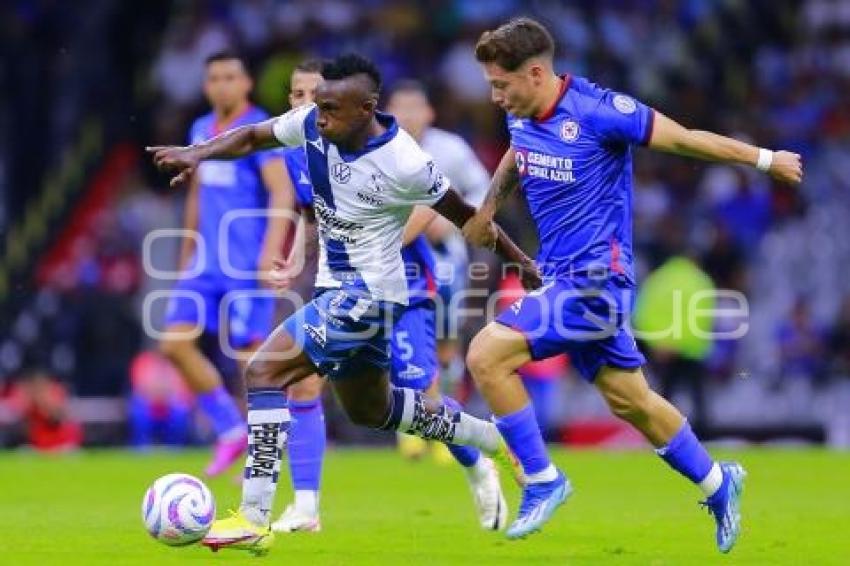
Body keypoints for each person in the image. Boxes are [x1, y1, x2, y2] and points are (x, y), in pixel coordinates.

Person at [148, 53, 539, 555]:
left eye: (331, 107)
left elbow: (469, 218)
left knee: (265, 371)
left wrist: (523, 265)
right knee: (373, 409)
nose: (320, 115)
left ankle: (253, 516)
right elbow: (251, 137)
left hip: (372, 295)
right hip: (336, 291)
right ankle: (487, 436)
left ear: (367, 107)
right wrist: (196, 153)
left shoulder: (405, 161)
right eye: (316, 104)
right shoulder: (313, 124)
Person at [461, 18, 802, 550]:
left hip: (596, 281)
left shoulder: (600, 112)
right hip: (563, 276)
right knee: (632, 402)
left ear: (535, 73)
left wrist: (765, 159)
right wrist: (488, 206)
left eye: (501, 85)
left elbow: (686, 140)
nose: (494, 96)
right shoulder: (522, 112)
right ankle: (718, 482)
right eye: (491, 86)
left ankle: (542, 479)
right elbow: (518, 151)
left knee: (486, 354)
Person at [272, 64, 508, 534]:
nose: (303, 105)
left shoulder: (386, 148)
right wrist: (296, 252)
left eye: (312, 96)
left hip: (402, 287)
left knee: (420, 396)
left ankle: (479, 462)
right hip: (339, 290)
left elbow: (427, 202)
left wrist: (380, 247)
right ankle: (305, 506)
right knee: (300, 382)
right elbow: (310, 211)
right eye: (295, 95)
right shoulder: (300, 151)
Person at [158, 50, 294, 478]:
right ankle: (230, 430)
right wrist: (185, 255)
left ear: (246, 83)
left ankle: (263, 449)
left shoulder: (258, 131)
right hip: (205, 264)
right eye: (214, 78)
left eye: (230, 77)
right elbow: (197, 196)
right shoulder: (200, 129)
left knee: (250, 362)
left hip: (245, 264)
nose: (222, 85)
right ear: (205, 86)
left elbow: (282, 193)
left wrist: (270, 254)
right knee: (173, 344)